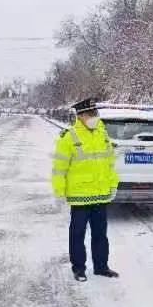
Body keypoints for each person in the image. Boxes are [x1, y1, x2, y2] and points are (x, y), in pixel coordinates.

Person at [52, 98, 120, 282]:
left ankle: (101, 267)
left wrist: (113, 184)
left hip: (100, 195)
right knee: (77, 235)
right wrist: (59, 192)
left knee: (100, 235)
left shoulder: (102, 134)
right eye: (89, 114)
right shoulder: (69, 137)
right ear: (80, 116)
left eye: (94, 114)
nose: (93, 117)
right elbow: (59, 168)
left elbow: (110, 164)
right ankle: (79, 268)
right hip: (80, 197)